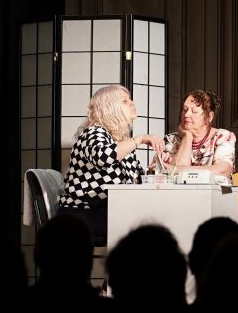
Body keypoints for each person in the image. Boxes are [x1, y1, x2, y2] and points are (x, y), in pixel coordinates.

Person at [59, 85, 166, 242]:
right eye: (125, 101)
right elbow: (103, 157)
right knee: (147, 231)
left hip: (106, 211)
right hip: (82, 213)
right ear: (109, 108)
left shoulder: (120, 142)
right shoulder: (93, 132)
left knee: (156, 222)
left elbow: (136, 180)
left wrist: (153, 167)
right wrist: (140, 139)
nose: (132, 103)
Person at [155, 89, 236, 176]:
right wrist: (187, 136)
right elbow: (172, 177)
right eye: (185, 109)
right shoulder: (170, 139)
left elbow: (223, 170)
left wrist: (177, 169)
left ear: (209, 116)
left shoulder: (222, 136)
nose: (186, 115)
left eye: (194, 111)